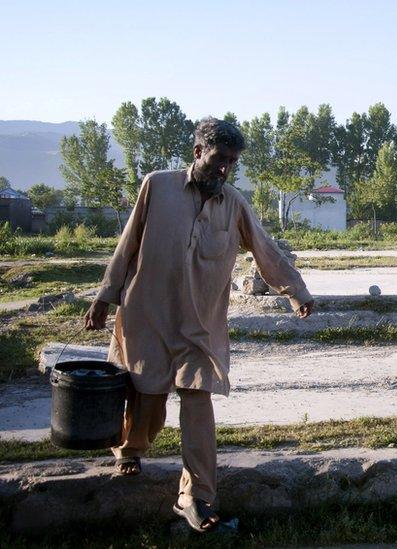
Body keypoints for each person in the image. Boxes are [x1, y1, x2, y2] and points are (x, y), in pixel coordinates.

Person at [84, 117, 314, 533]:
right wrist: (105, 296)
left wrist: (294, 291)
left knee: (197, 401)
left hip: (199, 324)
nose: (225, 168)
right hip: (147, 315)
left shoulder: (235, 204)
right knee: (147, 398)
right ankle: (130, 451)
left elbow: (264, 249)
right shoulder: (157, 186)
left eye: (232, 162)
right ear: (197, 153)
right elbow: (128, 243)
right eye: (219, 158)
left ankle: (197, 496)